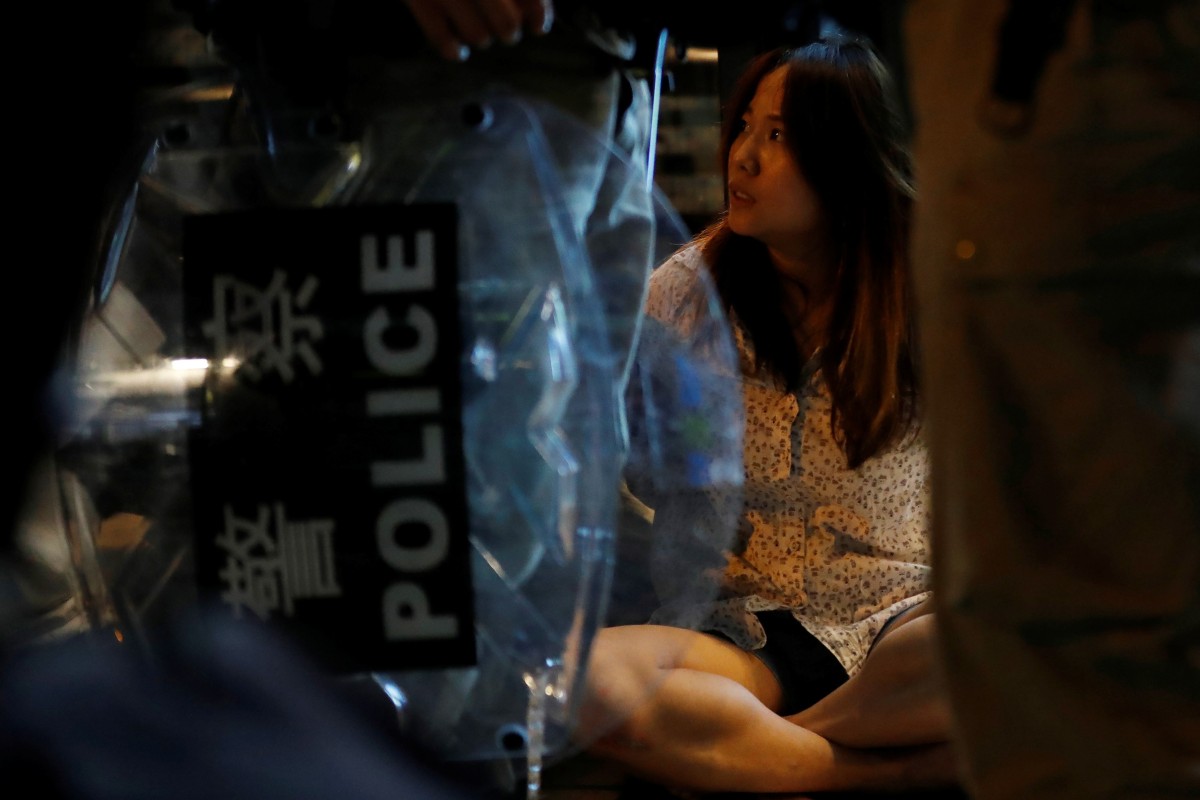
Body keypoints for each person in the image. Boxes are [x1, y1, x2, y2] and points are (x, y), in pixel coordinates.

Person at [574, 35, 959, 795]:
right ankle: (879, 771)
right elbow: (614, 466)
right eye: (744, 126)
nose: (742, 157)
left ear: (846, 158)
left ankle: (760, 757)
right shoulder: (683, 294)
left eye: (777, 136)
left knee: (981, 650)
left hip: (900, 622)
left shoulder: (930, 280)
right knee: (586, 679)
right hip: (746, 634)